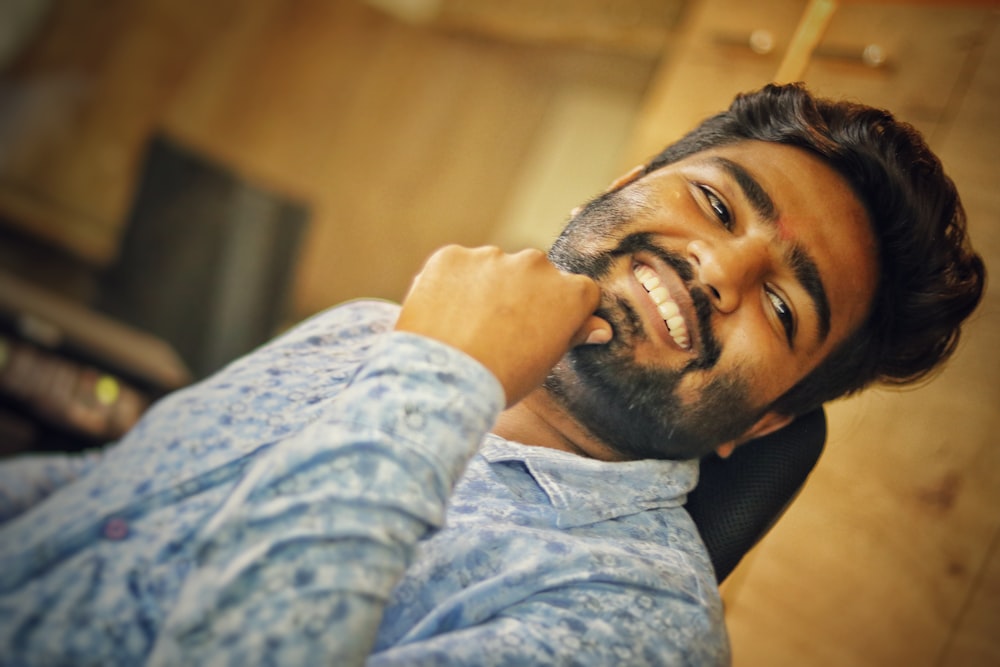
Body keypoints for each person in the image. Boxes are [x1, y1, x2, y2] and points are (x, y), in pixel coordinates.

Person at [0, 83, 984, 666]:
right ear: (617, 189)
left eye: (782, 308)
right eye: (717, 206)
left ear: (761, 425)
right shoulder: (371, 330)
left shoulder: (634, 627)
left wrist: (440, 376)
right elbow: (102, 504)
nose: (716, 269)